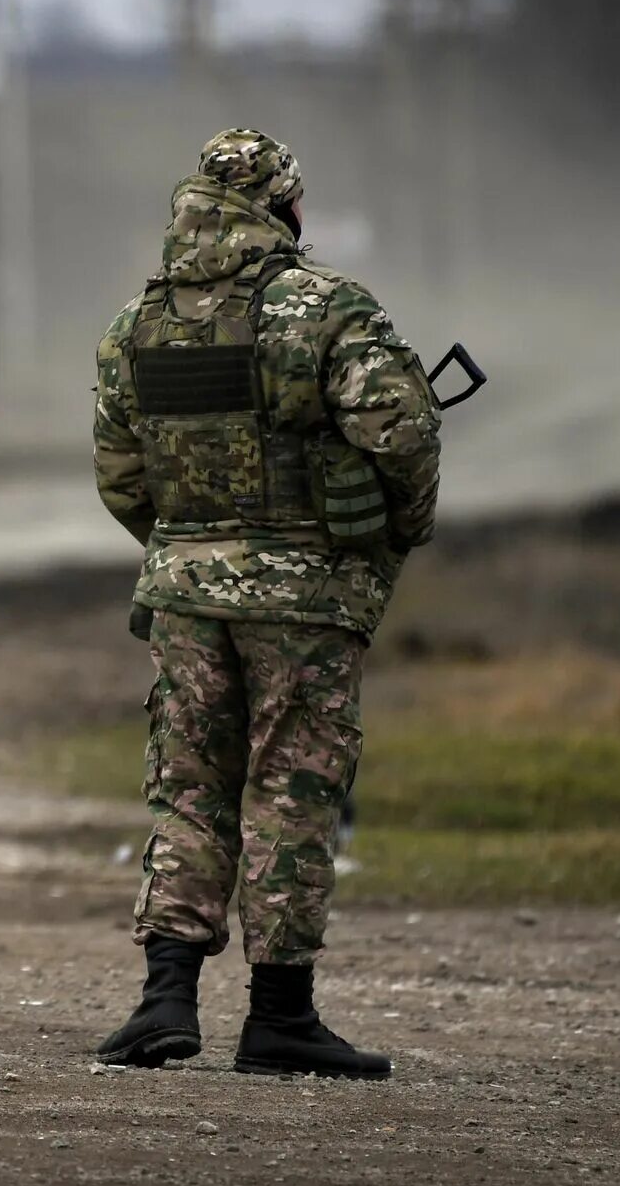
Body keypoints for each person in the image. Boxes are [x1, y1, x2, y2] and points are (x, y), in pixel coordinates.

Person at [90, 128, 441, 1079]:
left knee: (189, 784)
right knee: (289, 786)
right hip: (306, 597)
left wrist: (192, 555)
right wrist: (390, 536)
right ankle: (280, 1015)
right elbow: (403, 434)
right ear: (286, 210)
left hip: (185, 596)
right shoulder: (327, 308)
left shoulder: (137, 325)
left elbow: (122, 475)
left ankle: (165, 1000)